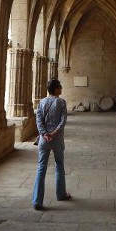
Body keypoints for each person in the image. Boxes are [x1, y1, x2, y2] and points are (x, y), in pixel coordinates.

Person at [32, 78, 71, 210]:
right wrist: (53, 134)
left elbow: (38, 120)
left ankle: (37, 200)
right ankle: (61, 194)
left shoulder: (42, 102)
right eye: (60, 86)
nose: (61, 88)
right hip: (57, 139)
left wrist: (44, 134)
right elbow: (63, 121)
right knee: (59, 166)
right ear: (55, 89)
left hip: (44, 140)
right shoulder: (61, 102)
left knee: (41, 167)